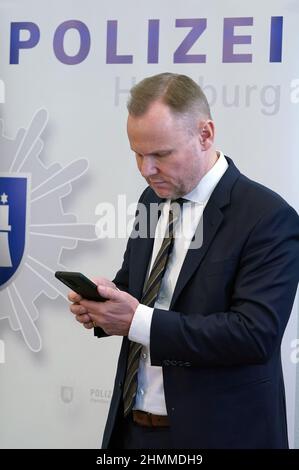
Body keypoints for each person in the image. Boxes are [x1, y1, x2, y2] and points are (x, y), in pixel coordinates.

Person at [68, 73, 299, 449]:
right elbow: (137, 287)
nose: (146, 169)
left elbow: (254, 334)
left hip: (220, 434)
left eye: (160, 154)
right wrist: (105, 303)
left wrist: (138, 320)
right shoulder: (150, 200)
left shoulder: (268, 216)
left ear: (205, 134)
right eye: (137, 153)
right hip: (132, 429)